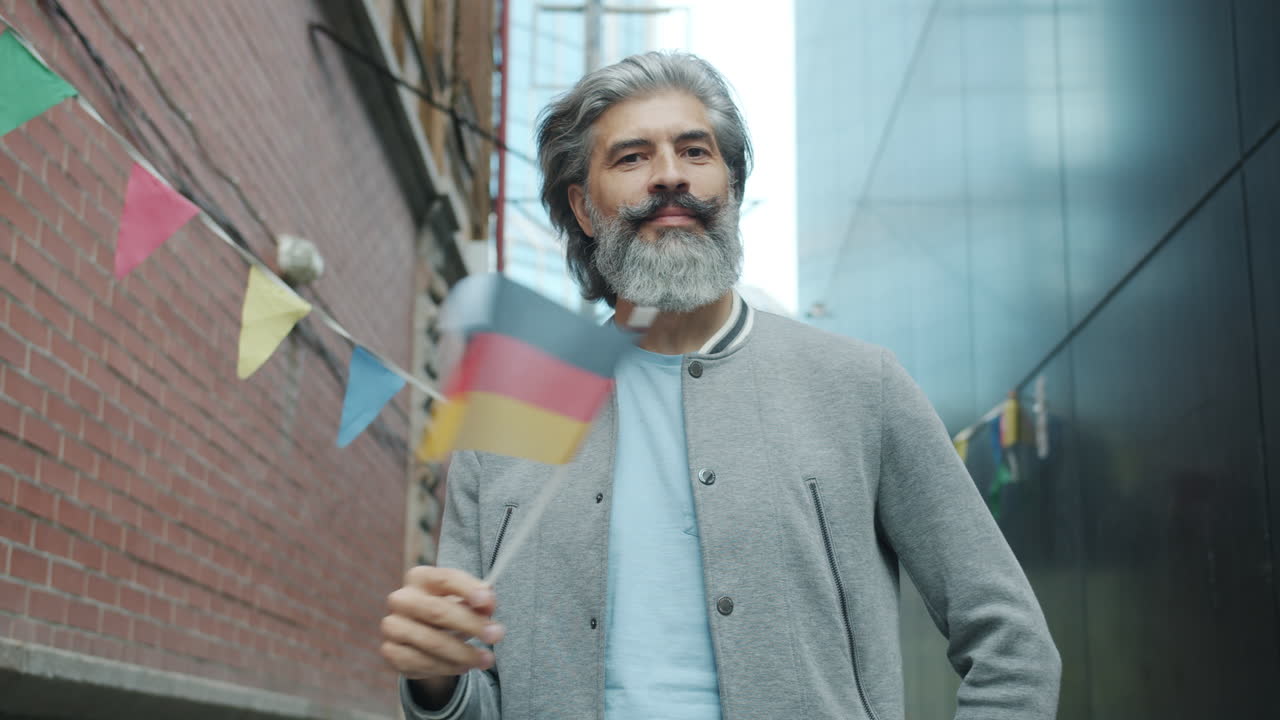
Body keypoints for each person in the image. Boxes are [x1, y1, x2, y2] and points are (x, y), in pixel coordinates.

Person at [378, 51, 1061, 719]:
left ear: (729, 186)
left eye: (696, 152)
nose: (669, 177)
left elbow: (1012, 646)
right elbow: (472, 694)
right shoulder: (512, 408)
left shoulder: (861, 387)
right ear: (584, 209)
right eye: (632, 157)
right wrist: (436, 686)